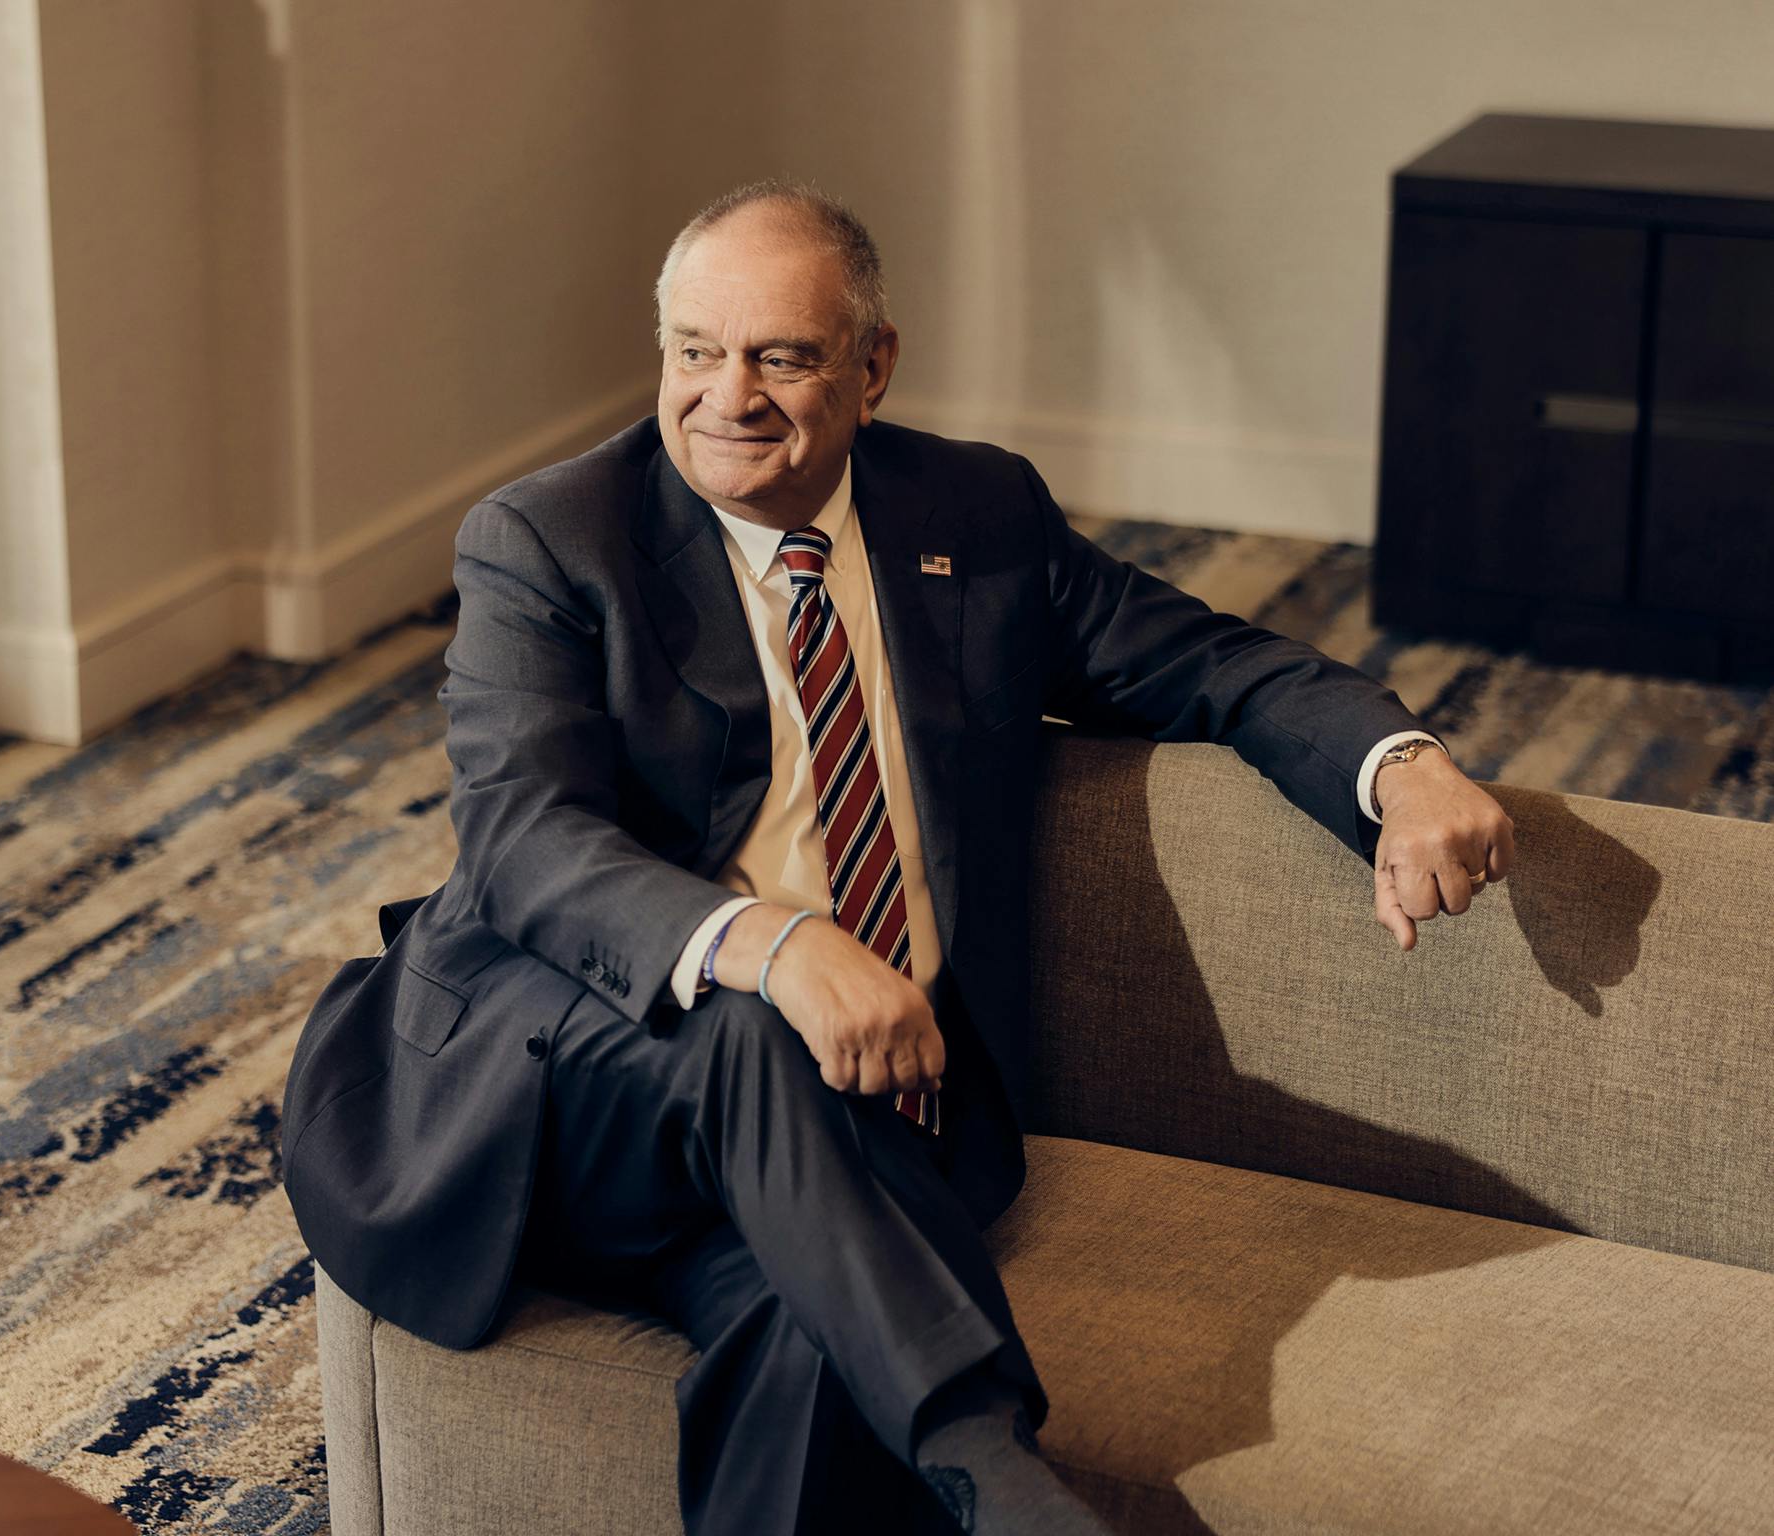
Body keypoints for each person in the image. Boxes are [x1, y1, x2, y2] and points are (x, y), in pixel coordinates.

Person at [281, 180, 1515, 1536]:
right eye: (694, 350)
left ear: (873, 367)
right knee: (754, 1033)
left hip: (857, 1132)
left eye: (781, 356)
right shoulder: (552, 541)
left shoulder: (974, 515)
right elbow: (523, 842)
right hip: (563, 1091)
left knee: (812, 1338)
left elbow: (1208, 664)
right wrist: (777, 946)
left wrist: (1401, 770)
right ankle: (999, 1481)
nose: (724, 395)